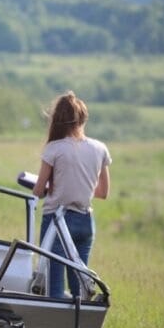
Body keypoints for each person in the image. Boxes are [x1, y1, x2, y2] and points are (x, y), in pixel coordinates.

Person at [33, 91, 111, 299]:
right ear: (83, 118)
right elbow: (103, 192)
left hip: (57, 223)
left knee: (54, 290)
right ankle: (80, 326)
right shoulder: (100, 148)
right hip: (86, 222)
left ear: (57, 120)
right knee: (80, 288)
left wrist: (52, 188)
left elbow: (39, 190)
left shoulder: (54, 148)